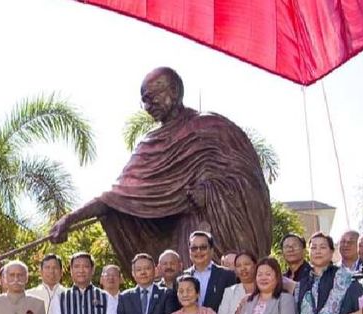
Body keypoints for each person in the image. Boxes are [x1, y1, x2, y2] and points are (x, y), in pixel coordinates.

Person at [48, 67, 271, 268]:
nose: (148, 106)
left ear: (174, 91)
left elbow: (251, 181)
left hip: (220, 236)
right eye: (144, 101)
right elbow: (117, 197)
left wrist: (210, 192)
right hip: (184, 242)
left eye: (152, 97)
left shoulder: (213, 127)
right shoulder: (150, 144)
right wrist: (70, 219)